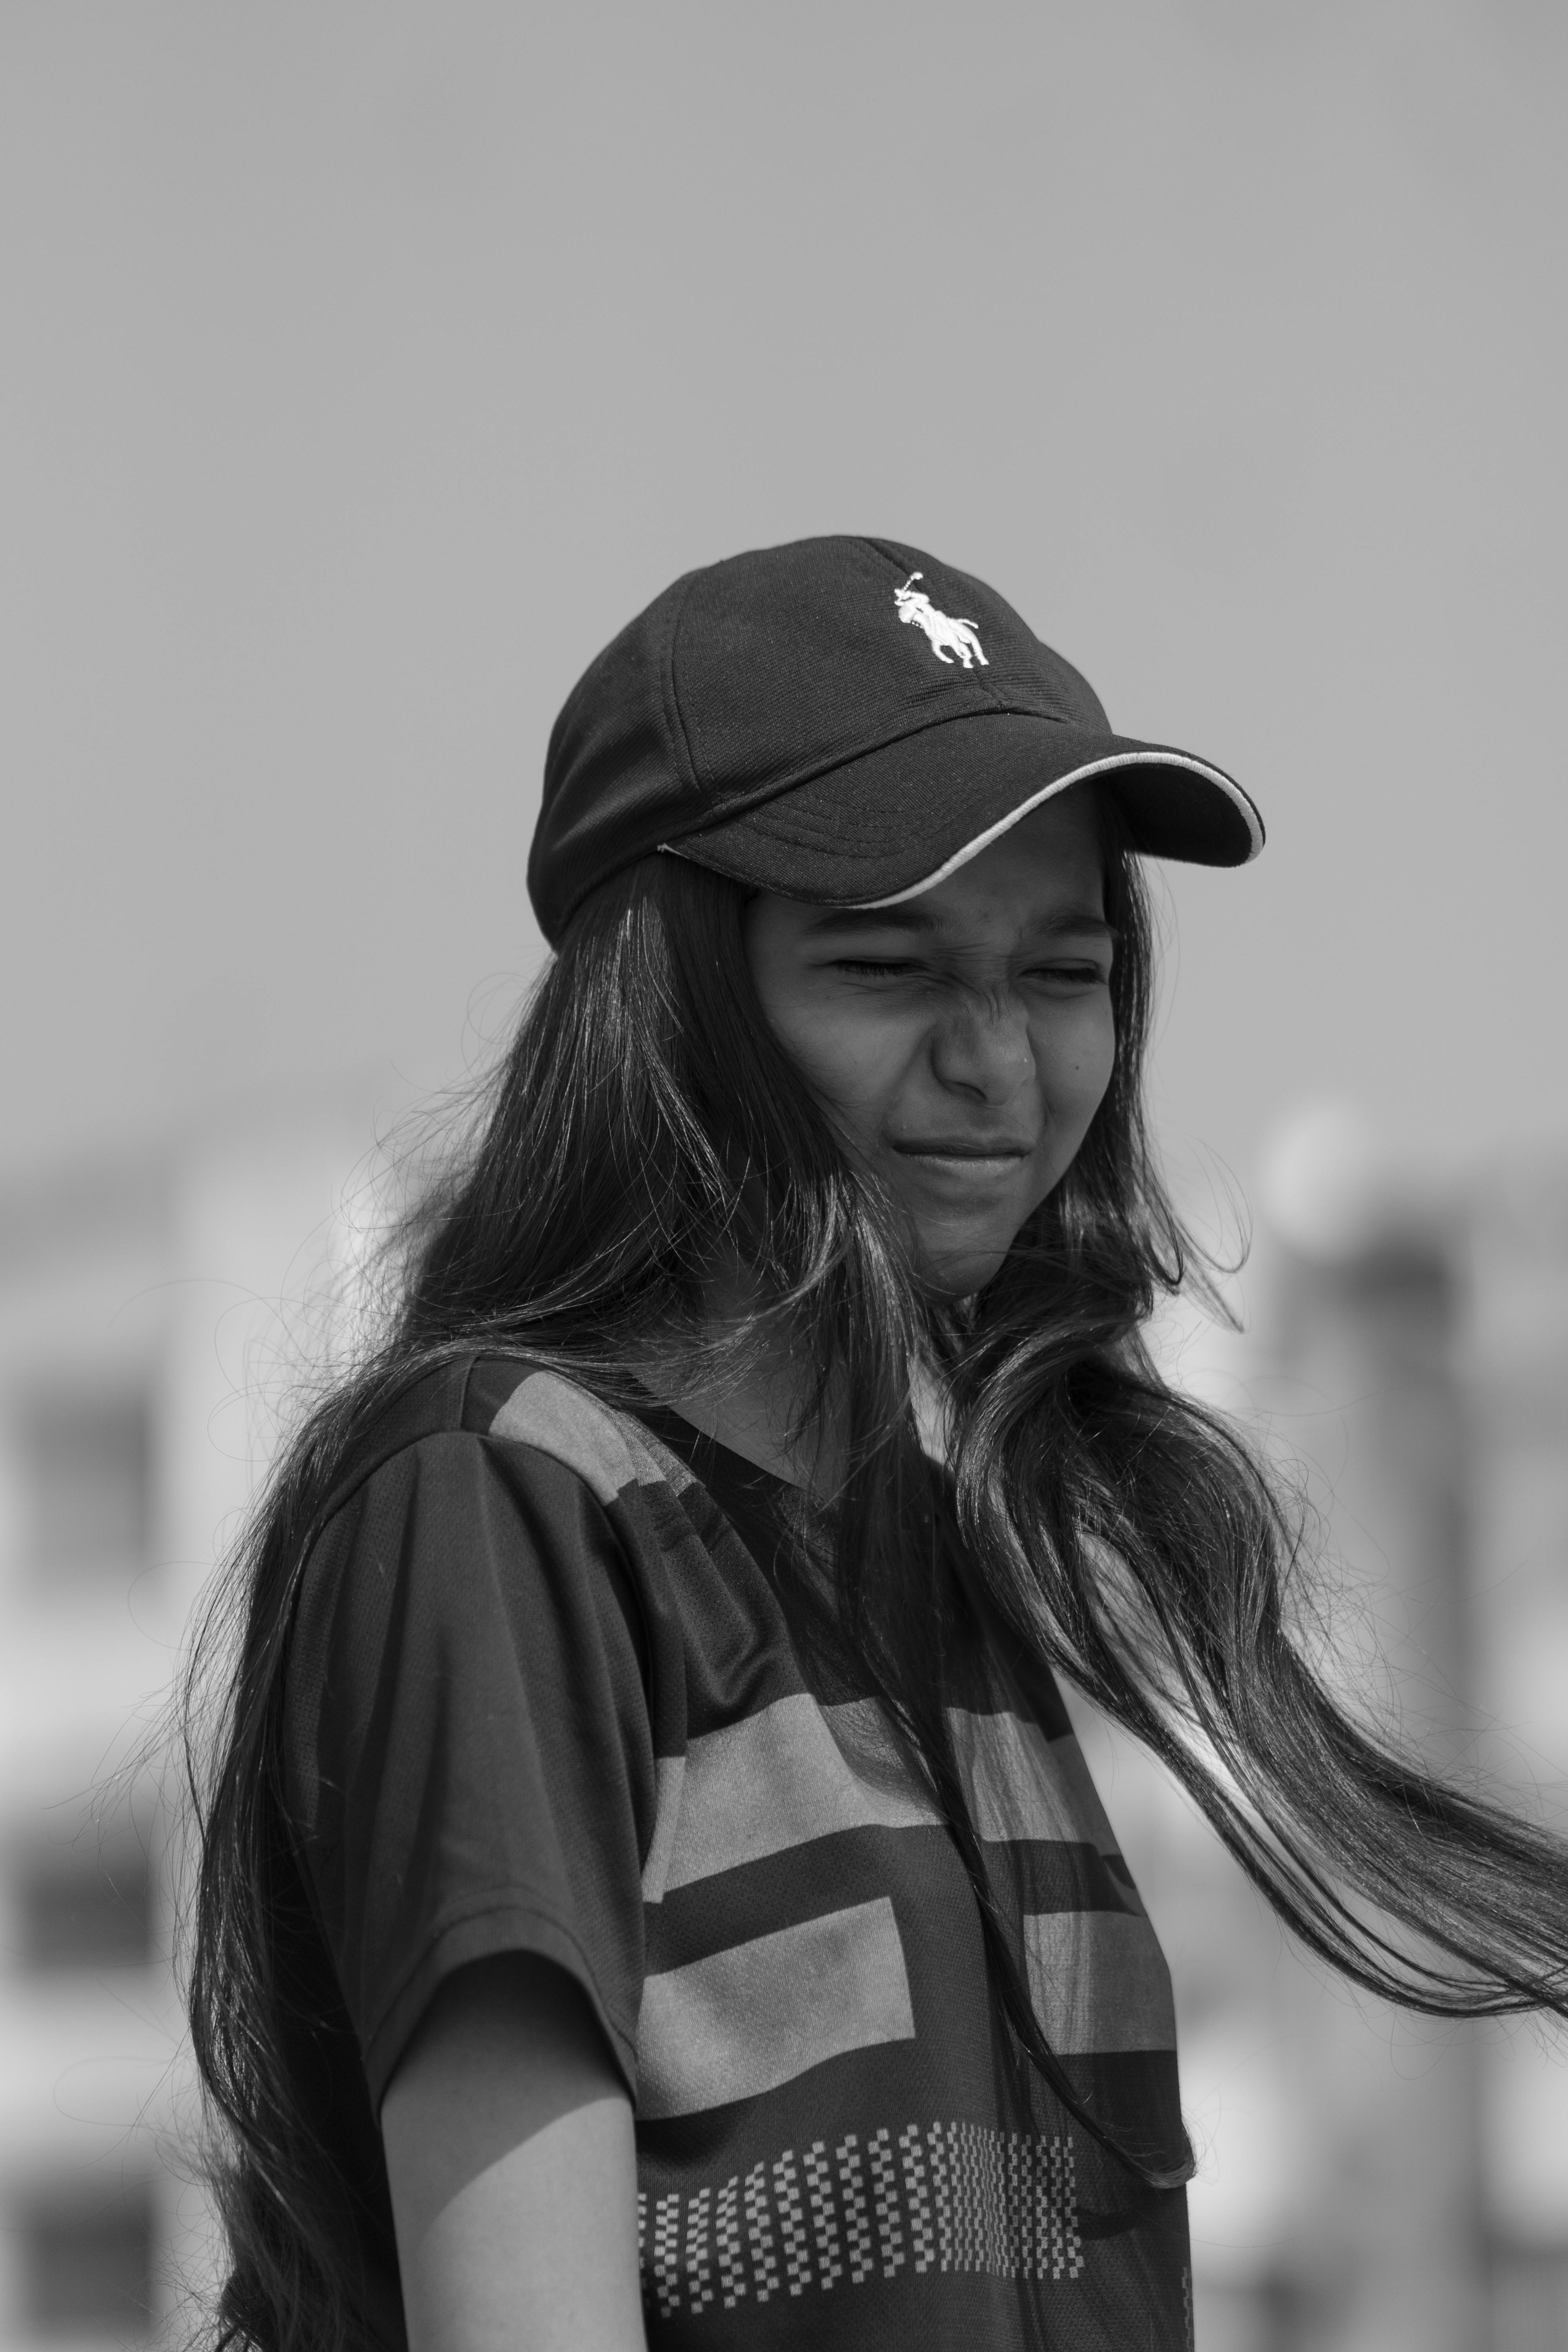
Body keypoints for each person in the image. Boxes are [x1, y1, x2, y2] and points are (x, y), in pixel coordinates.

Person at [185, 536, 1568, 2352]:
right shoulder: (502, 1493)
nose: (997, 1061)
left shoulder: (950, 1558)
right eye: (886, 964)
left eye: (1061, 972)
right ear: (665, 1006)